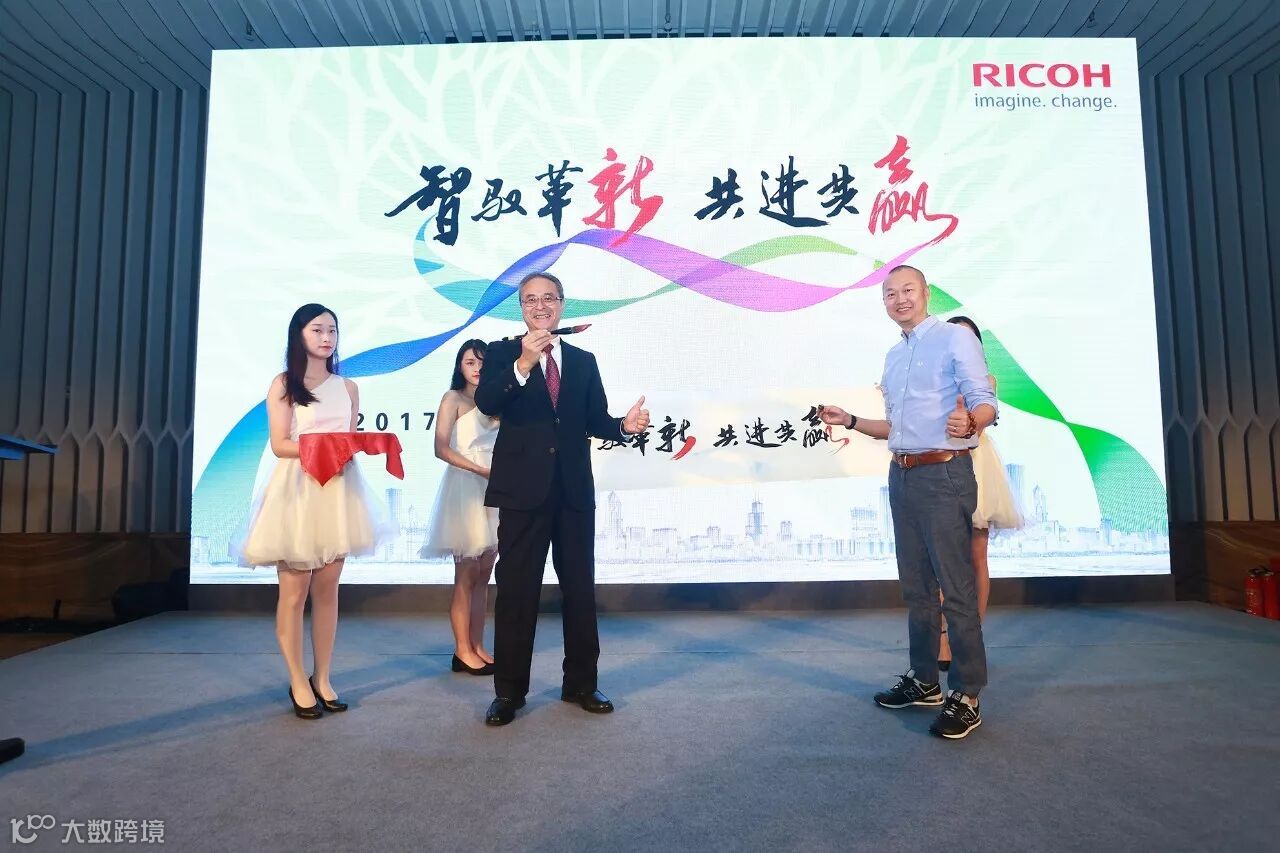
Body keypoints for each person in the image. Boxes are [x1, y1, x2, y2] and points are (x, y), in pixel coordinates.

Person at [819, 265, 996, 739]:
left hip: (945, 473)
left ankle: (967, 695)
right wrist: (850, 420)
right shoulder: (894, 356)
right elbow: (895, 428)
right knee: (917, 588)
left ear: (927, 293)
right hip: (903, 474)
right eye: (890, 293)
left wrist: (972, 422)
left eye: (908, 290)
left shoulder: (955, 338)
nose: (899, 299)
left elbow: (985, 400)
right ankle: (925, 680)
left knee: (955, 590)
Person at [475, 272, 650, 726]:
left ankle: (582, 684)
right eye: (531, 300)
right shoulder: (501, 353)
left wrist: (623, 426)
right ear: (521, 307)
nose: (540, 306)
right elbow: (488, 403)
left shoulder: (583, 360)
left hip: (572, 492)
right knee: (517, 592)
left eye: (548, 298)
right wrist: (523, 364)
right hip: (522, 493)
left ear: (562, 304)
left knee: (579, 590)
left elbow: (594, 419)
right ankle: (509, 692)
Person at [233, 304, 394, 719]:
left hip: (338, 490)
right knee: (293, 593)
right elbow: (279, 444)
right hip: (298, 489)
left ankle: (322, 677)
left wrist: (359, 445)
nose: (326, 337)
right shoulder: (284, 384)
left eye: (332, 330)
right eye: (317, 329)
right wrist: (324, 446)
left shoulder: (348, 386)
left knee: (328, 591)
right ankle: (297, 679)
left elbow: (348, 439)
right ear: (299, 334)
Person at [937, 315, 1024, 671]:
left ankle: (971, 634)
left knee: (977, 557)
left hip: (976, 465)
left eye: (968, 339)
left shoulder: (985, 381)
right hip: (941, 463)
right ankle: (944, 638)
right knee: (943, 559)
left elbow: (978, 423)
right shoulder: (933, 377)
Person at [421, 339, 500, 676]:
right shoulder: (452, 398)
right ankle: (462, 650)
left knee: (485, 574)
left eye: (482, 362)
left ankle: (477, 645)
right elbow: (440, 448)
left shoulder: (498, 402)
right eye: (470, 362)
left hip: (495, 487)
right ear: (459, 366)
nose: (477, 368)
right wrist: (478, 469)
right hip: (466, 486)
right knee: (466, 575)